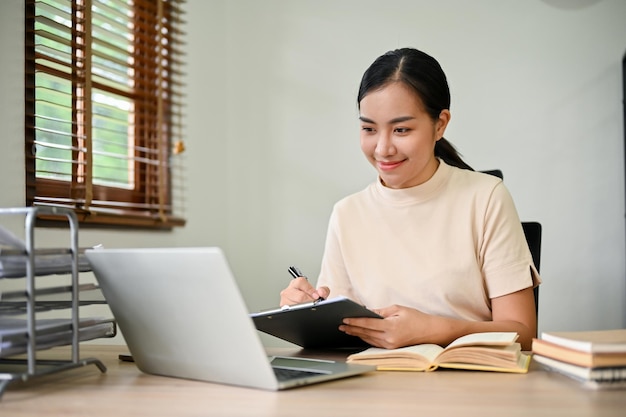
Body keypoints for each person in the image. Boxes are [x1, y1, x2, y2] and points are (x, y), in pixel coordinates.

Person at [279, 47, 541, 351]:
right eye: (369, 129)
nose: (382, 148)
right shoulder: (347, 213)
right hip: (373, 387)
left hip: (471, 386)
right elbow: (340, 333)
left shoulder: (486, 198)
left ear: (440, 124)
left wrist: (435, 329)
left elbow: (522, 333)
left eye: (401, 129)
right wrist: (302, 312)